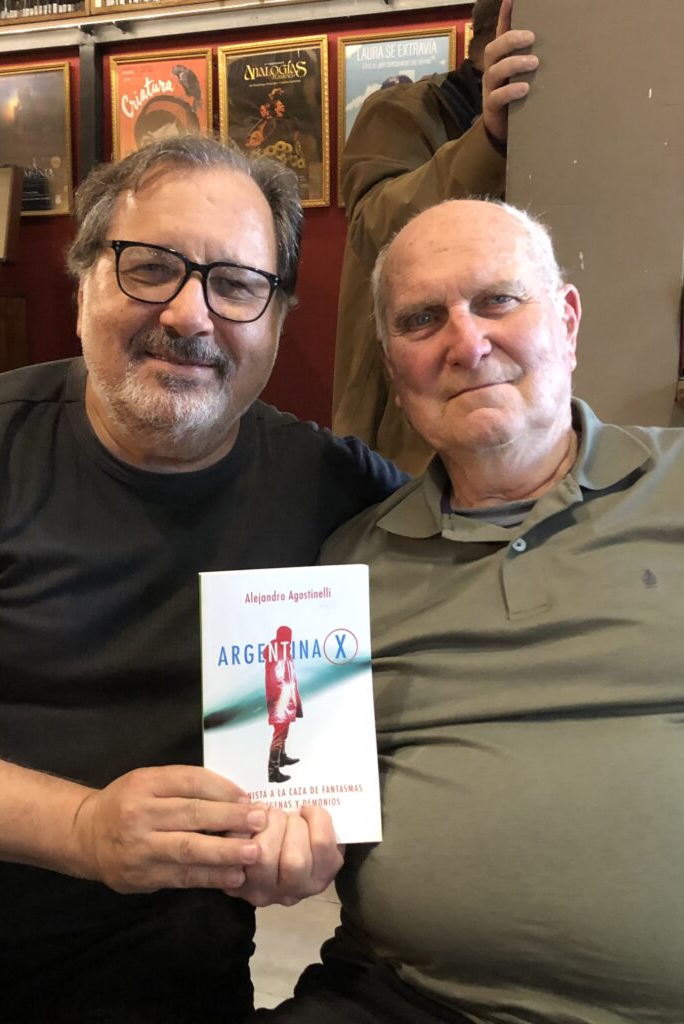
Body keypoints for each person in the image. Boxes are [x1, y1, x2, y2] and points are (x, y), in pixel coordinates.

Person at [0, 135, 407, 1024]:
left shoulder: (338, 489)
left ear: (278, 316)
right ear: (82, 284)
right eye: (150, 268)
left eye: (236, 284)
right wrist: (82, 830)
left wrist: (318, 828)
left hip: (191, 989)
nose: (191, 315)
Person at [260, 199, 684, 1022]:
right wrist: (282, 848)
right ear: (394, 370)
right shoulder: (341, 570)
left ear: (566, 321)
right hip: (407, 1000)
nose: (467, 342)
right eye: (422, 320)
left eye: (497, 300)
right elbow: (294, 791)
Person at [333, 0, 539, 474]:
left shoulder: (558, 121)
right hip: (413, 424)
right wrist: (489, 140)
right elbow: (376, 225)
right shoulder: (402, 112)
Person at [265, 624, 303, 783]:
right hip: (281, 701)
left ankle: (282, 758)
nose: (290, 640)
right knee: (279, 735)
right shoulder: (278, 652)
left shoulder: (282, 651)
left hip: (284, 699)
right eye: (288, 637)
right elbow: (278, 678)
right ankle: (273, 772)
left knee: (283, 731)